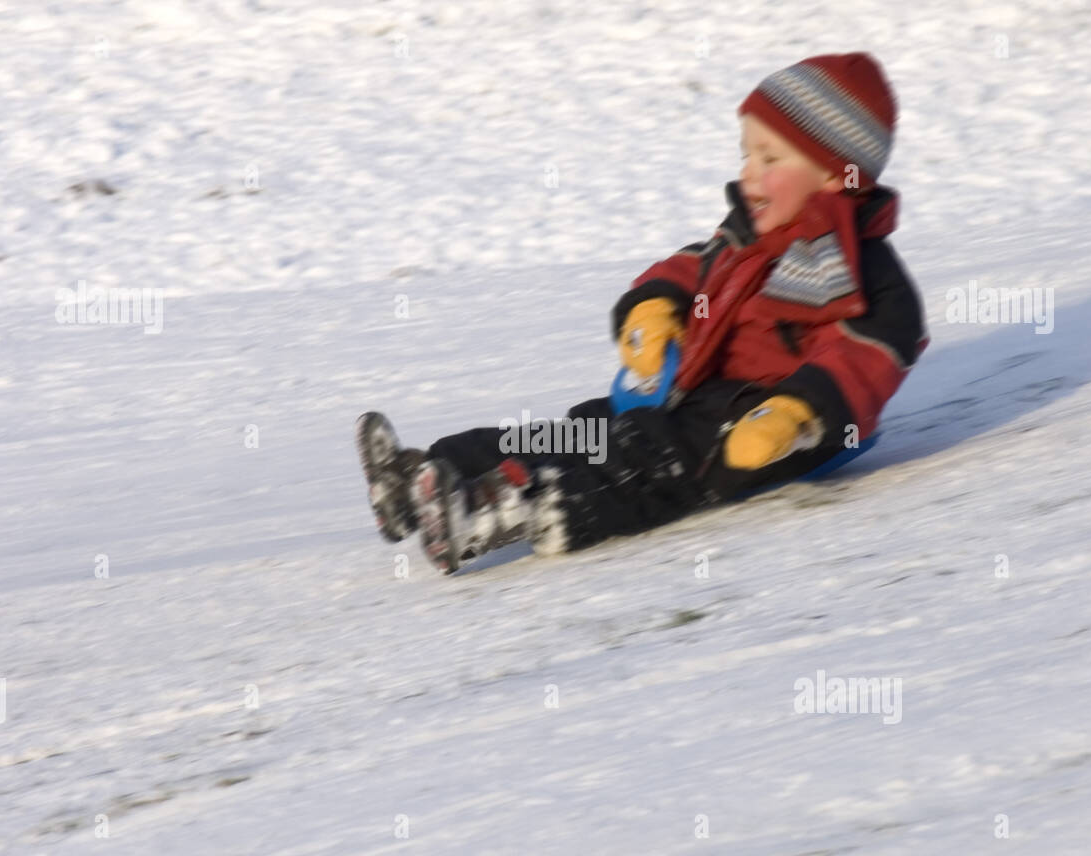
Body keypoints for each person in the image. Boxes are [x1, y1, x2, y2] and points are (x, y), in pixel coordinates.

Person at [357, 52, 928, 573]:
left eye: (770, 157)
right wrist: (654, 308)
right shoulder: (748, 234)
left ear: (835, 175)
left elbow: (869, 355)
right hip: (683, 394)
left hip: (754, 429)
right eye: (745, 153)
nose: (748, 173)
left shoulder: (864, 272)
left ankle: (496, 509)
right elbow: (691, 267)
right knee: (579, 432)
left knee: (638, 466)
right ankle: (425, 477)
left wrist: (794, 413)